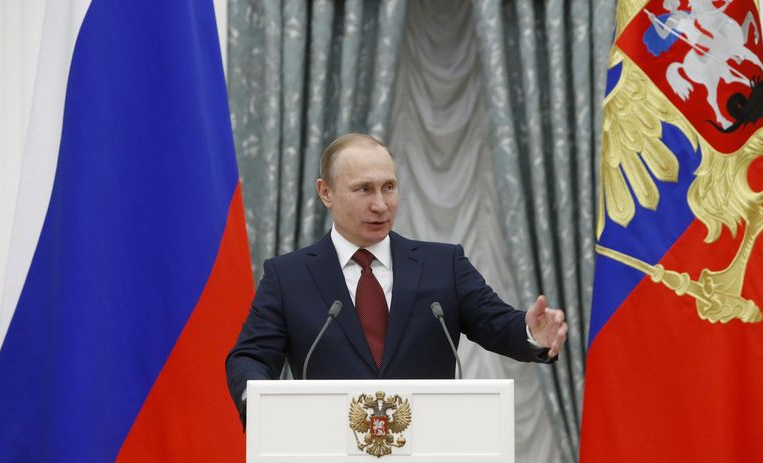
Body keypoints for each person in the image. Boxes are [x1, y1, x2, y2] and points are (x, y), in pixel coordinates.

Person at [225, 133, 568, 421]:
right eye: (364, 190)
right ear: (325, 192)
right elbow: (250, 357)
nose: (381, 204)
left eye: (388, 187)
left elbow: (497, 323)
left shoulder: (443, 264)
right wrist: (258, 402)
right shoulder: (288, 276)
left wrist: (531, 332)